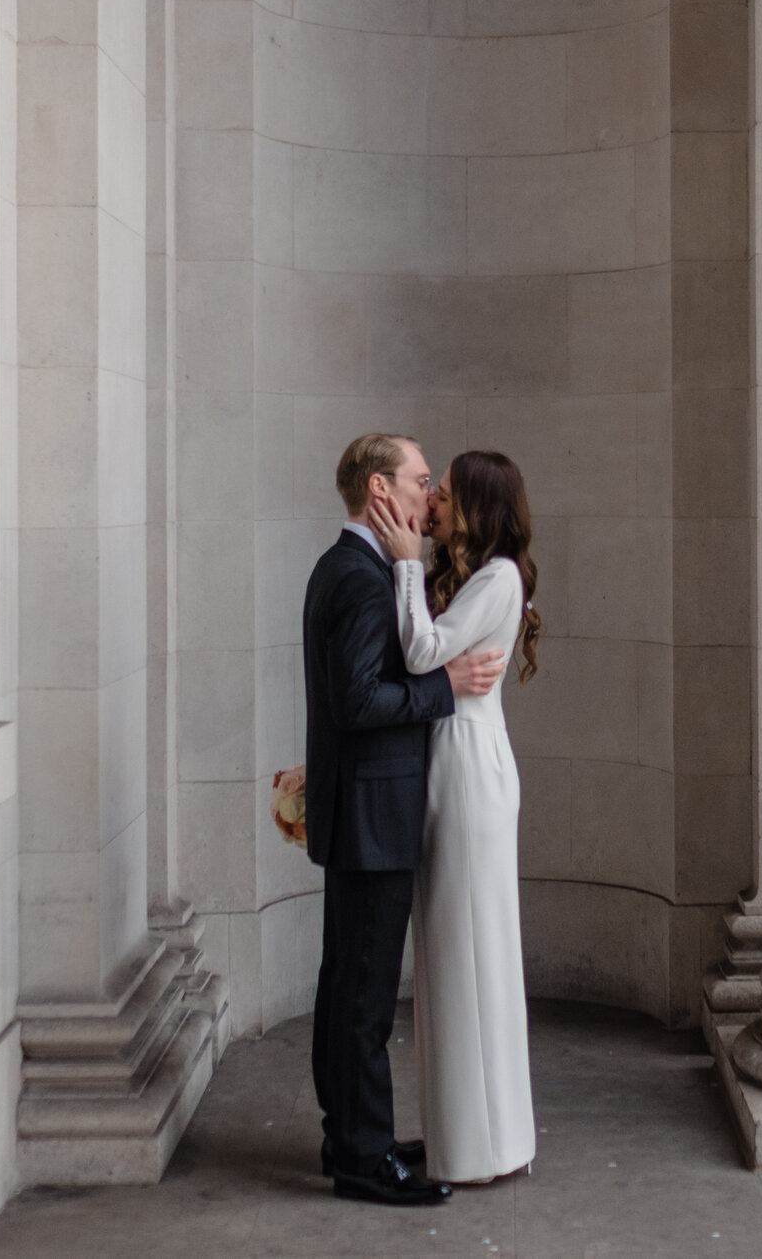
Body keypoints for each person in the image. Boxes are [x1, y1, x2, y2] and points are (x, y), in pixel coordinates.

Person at [303, 433, 507, 1208]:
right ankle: (363, 1156)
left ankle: (351, 1135)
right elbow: (359, 702)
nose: (429, 497)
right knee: (363, 994)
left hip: (362, 809)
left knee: (346, 983)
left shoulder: (352, 567)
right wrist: (445, 686)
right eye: (422, 480)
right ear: (382, 490)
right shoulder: (359, 579)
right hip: (372, 815)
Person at [368, 449, 540, 1185]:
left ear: (474, 504)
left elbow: (421, 649)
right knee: (457, 953)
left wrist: (407, 562)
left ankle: (477, 1148)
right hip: (460, 758)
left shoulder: (499, 576)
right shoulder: (482, 577)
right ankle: (476, 1140)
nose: (430, 500)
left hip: (467, 768)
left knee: (468, 951)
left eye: (442, 492)